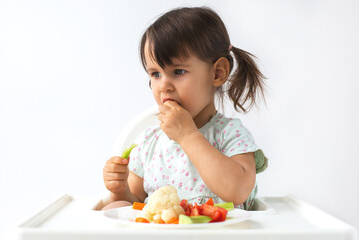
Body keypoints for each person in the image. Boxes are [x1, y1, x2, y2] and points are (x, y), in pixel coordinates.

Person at [102, 7, 268, 211]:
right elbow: (133, 202)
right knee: (112, 209)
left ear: (217, 73)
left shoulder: (230, 136)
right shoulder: (149, 144)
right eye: (155, 74)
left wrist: (188, 135)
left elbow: (238, 190)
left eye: (178, 71)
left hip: (218, 233)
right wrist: (119, 190)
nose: (164, 86)